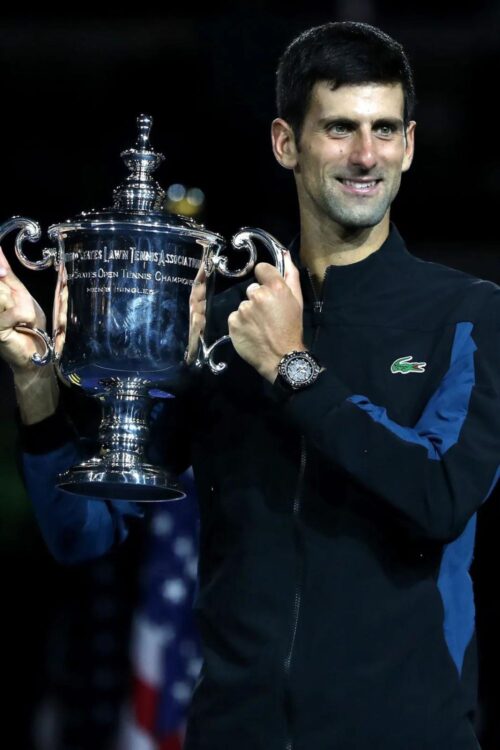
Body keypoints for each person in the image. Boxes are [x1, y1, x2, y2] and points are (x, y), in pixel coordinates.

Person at [0, 20, 498, 750]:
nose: (366, 156)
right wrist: (35, 378)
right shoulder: (225, 331)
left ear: (410, 145)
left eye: (385, 129)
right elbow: (84, 533)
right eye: (339, 129)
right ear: (285, 143)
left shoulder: (470, 314)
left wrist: (293, 369)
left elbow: (442, 495)